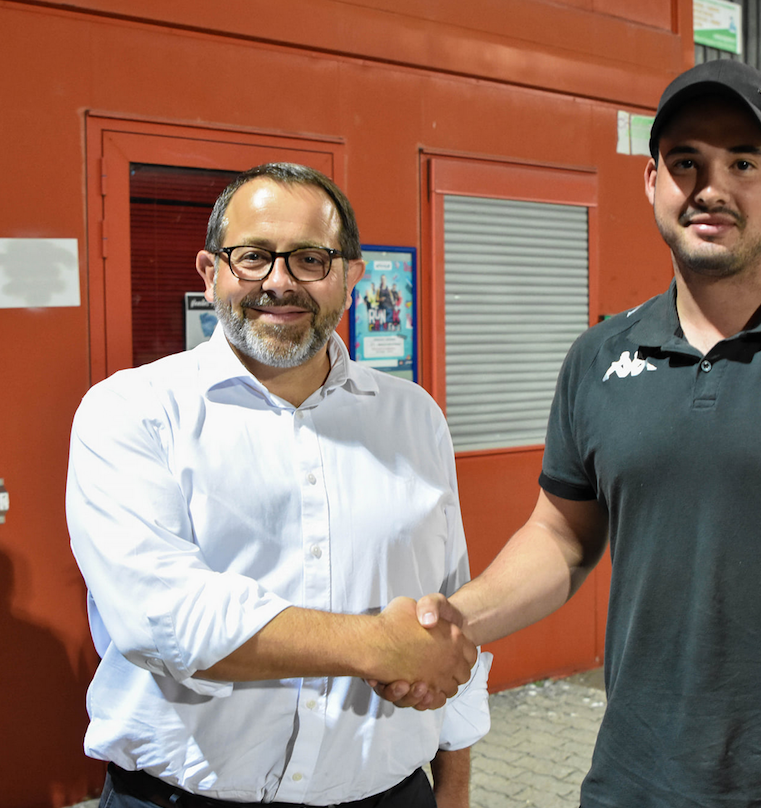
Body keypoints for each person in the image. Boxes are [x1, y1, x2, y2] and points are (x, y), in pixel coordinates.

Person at [391, 60, 761, 808]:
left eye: (743, 161)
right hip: (635, 785)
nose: (712, 187)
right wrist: (455, 619)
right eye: (686, 163)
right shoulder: (599, 359)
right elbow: (562, 539)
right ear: (652, 184)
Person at [66, 163, 489, 808]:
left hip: (390, 794)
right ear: (211, 274)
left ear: (350, 276)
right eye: (254, 257)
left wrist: (454, 781)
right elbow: (168, 620)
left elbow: (448, 604)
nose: (280, 283)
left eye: (310, 259)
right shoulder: (131, 411)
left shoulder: (414, 417)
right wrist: (379, 646)